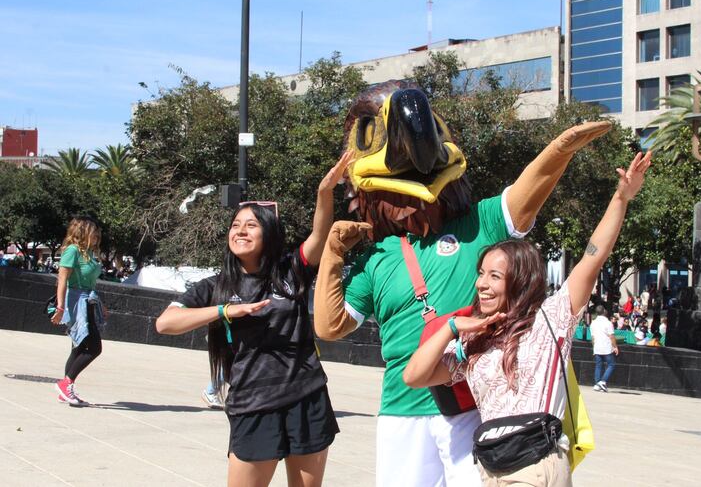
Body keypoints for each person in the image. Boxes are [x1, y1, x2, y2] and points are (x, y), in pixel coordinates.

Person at [403, 152, 651, 485]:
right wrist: (450, 328)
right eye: (480, 274)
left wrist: (621, 197)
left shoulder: (551, 319)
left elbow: (594, 256)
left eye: (494, 276)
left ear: (519, 280)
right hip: (491, 469)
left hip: (534, 465)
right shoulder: (474, 343)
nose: (481, 284)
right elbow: (414, 376)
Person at [156, 153, 350, 487]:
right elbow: (166, 323)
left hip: (307, 397)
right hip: (252, 405)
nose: (240, 231)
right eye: (235, 225)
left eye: (251, 225)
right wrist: (223, 311)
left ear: (269, 233)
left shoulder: (292, 270)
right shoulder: (215, 287)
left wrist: (324, 192)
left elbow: (320, 235)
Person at [51, 216, 106, 406]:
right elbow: (62, 280)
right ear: (83, 232)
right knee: (94, 347)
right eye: (94, 232)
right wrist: (60, 307)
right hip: (77, 301)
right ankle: (66, 383)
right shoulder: (72, 251)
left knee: (80, 346)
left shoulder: (88, 253)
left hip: (88, 300)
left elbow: (91, 282)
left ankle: (66, 389)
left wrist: (101, 305)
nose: (97, 236)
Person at [590, 306, 618, 392]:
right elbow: (612, 336)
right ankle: (603, 381)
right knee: (611, 364)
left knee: (598, 365)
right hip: (606, 347)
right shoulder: (608, 323)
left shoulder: (593, 323)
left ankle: (597, 384)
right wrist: (615, 346)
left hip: (597, 346)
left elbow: (593, 337)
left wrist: (594, 348)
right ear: (604, 311)